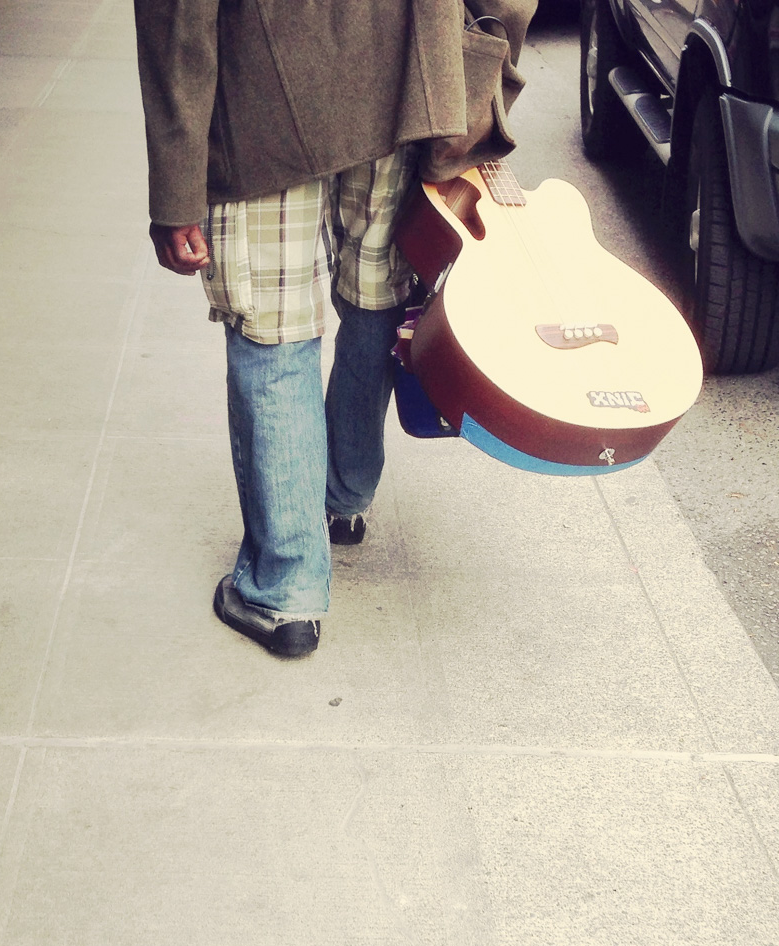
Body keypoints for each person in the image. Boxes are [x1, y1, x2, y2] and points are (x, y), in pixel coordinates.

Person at [135, 0, 536, 656]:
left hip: (260, 98)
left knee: (274, 324)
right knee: (377, 297)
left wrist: (176, 186)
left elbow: (179, 20)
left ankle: (285, 588)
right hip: (407, 86)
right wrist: (481, 69)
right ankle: (343, 497)